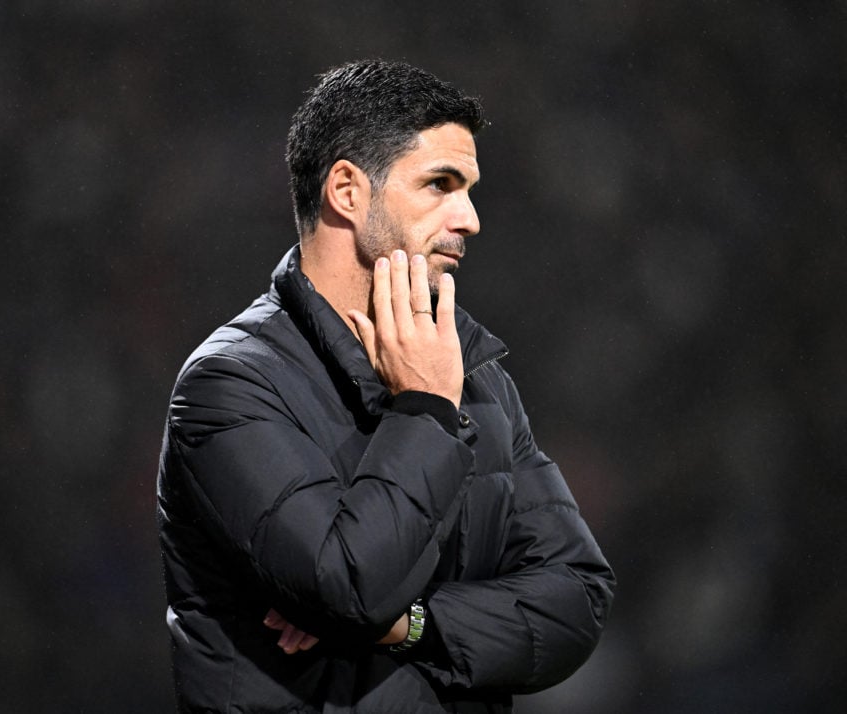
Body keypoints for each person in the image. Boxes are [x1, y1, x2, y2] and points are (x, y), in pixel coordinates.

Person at [156, 59, 615, 713]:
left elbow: (576, 599)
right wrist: (424, 410)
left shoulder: (477, 377)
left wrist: (413, 623)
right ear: (347, 190)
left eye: (470, 189)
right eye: (440, 185)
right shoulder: (230, 385)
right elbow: (349, 586)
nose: (470, 219)